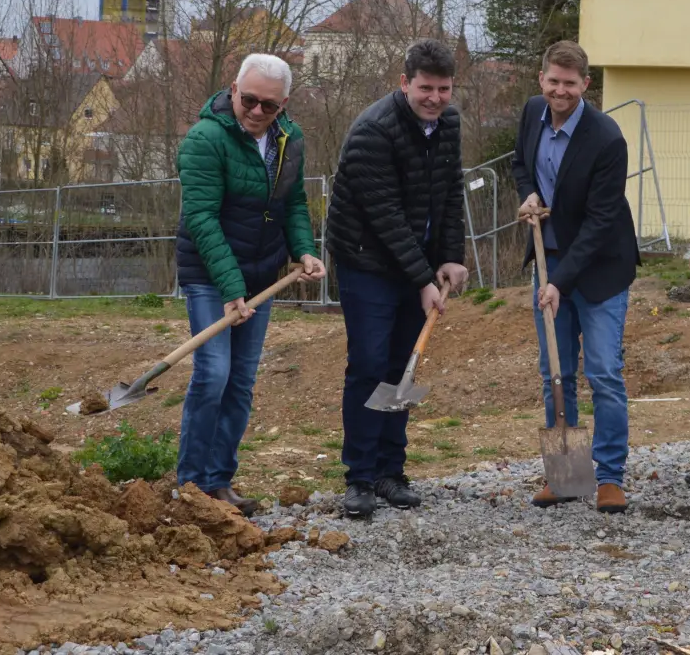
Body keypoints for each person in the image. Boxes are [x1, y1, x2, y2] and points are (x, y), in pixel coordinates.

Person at [174, 53, 327, 517]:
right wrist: (228, 286)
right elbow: (200, 217)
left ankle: (220, 482)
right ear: (233, 90)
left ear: (284, 106)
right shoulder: (205, 139)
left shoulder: (289, 140)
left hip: (260, 277)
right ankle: (191, 485)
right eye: (250, 100)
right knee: (213, 374)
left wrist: (303, 249)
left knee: (240, 382)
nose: (257, 112)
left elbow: (293, 202)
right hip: (209, 275)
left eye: (270, 106)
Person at [326, 38, 469, 519]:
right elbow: (385, 216)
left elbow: (449, 194)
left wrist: (449, 257)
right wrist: (422, 280)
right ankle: (359, 478)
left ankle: (390, 471)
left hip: (416, 262)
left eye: (443, 89)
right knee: (369, 363)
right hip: (366, 261)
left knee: (403, 367)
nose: (434, 98)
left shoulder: (448, 124)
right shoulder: (374, 132)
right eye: (425, 88)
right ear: (404, 82)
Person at [510, 41, 639, 515]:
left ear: (586, 85)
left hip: (600, 268)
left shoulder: (607, 139)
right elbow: (519, 163)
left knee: (603, 372)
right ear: (541, 79)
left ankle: (609, 477)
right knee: (556, 374)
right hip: (550, 259)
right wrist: (527, 194)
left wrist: (560, 283)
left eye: (570, 83)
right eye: (553, 81)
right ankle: (566, 475)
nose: (560, 91)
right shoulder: (532, 113)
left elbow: (601, 222)